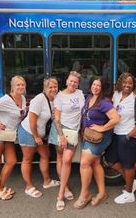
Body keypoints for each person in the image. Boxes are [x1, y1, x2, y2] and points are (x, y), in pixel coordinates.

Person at [73, 77, 120, 209]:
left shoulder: (104, 102)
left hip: (100, 137)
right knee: (95, 163)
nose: (95, 87)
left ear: (102, 88)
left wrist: (102, 128)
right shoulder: (89, 97)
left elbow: (116, 119)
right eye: (94, 84)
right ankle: (102, 193)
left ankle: (85, 194)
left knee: (84, 163)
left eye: (98, 85)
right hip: (89, 136)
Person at [105, 72, 136, 204]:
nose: (127, 84)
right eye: (125, 82)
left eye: (130, 82)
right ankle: (132, 182)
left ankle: (129, 193)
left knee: (128, 165)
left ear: (133, 84)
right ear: (120, 83)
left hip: (128, 136)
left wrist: (130, 135)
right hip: (115, 134)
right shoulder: (116, 95)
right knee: (110, 160)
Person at [0, 75, 27, 200]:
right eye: (18, 84)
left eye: (22, 84)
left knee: (11, 161)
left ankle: (0, 187)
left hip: (8, 135)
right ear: (12, 86)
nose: (20, 87)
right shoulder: (6, 99)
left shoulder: (22, 99)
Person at [17, 77, 60, 198]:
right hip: (28, 132)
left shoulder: (55, 99)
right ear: (45, 88)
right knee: (27, 159)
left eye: (55, 86)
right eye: (50, 87)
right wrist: (36, 137)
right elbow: (32, 120)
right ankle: (28, 186)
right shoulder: (39, 99)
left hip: (41, 134)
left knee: (45, 155)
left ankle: (47, 181)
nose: (53, 89)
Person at [48, 71, 85, 211]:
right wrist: (62, 136)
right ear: (66, 81)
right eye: (71, 81)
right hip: (61, 131)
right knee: (63, 159)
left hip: (74, 132)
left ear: (78, 83)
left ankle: (63, 189)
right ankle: (62, 193)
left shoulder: (80, 94)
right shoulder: (60, 96)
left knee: (66, 160)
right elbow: (56, 118)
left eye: (75, 82)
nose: (73, 83)